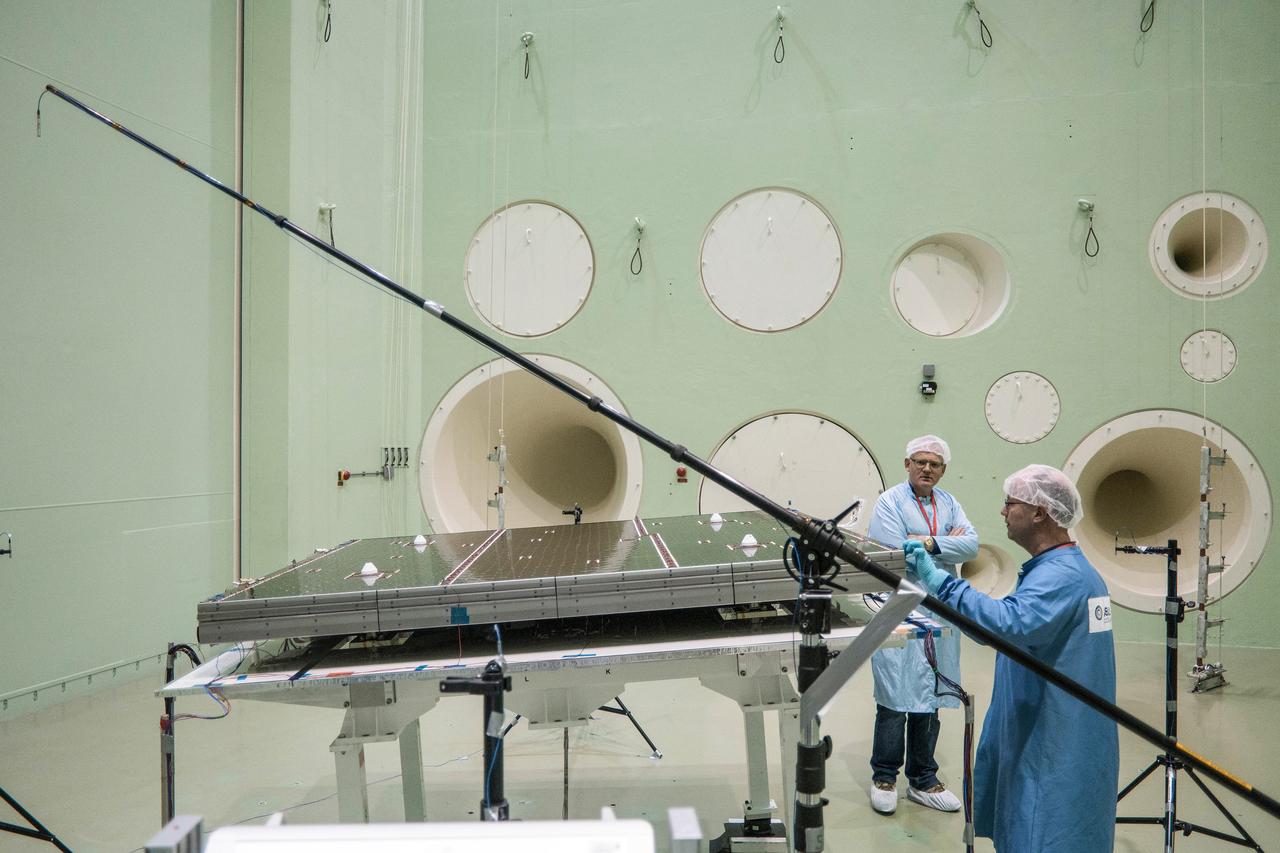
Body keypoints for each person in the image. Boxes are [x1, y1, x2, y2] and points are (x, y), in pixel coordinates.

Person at [902, 464, 1118, 852]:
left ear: (1039, 512)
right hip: (1052, 727)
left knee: (1045, 833)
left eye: (1010, 503)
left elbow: (1008, 625)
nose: (1003, 511)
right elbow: (1005, 630)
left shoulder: (1063, 578)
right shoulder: (1061, 570)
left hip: (1056, 740)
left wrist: (941, 583)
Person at [866, 435, 977, 815]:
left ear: (943, 470)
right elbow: (897, 551)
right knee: (894, 694)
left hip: (939, 608)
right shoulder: (889, 502)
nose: (927, 468)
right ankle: (884, 776)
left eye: (934, 464)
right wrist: (945, 542)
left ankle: (923, 779)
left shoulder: (950, 503)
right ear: (907, 464)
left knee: (930, 691)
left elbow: (972, 545)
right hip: (899, 606)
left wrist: (926, 542)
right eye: (920, 461)